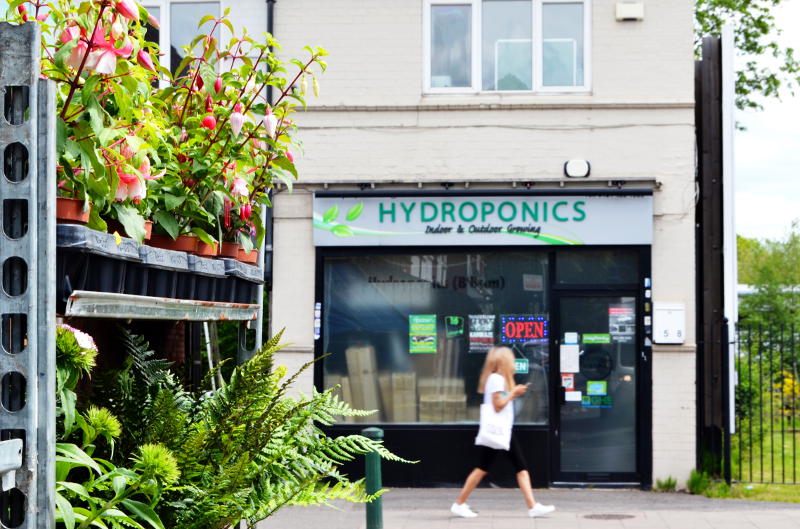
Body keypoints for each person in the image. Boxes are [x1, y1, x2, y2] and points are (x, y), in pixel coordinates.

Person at [450, 346, 556, 519]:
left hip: (502, 430)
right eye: (511, 359)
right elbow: (498, 405)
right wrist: (514, 393)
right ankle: (459, 504)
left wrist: (513, 391)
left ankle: (532, 506)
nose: (513, 362)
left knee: (508, 468)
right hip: (499, 430)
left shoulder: (495, 379)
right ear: (504, 362)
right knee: (504, 468)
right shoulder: (496, 379)